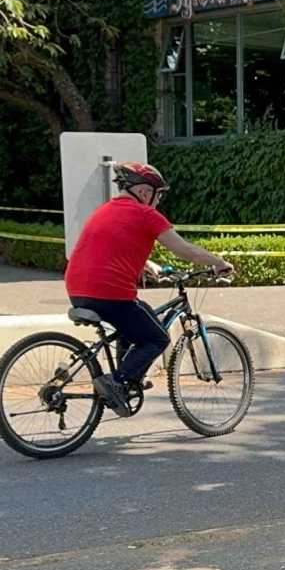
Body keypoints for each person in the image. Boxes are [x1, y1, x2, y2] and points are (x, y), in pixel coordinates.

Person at [64, 162, 234, 416]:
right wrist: (219, 262)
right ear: (144, 192)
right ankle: (118, 382)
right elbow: (185, 250)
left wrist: (148, 264)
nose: (158, 200)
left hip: (77, 289)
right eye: (158, 194)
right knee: (157, 337)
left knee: (134, 322)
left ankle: (127, 381)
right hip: (110, 293)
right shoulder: (146, 214)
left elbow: (110, 246)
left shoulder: (104, 211)